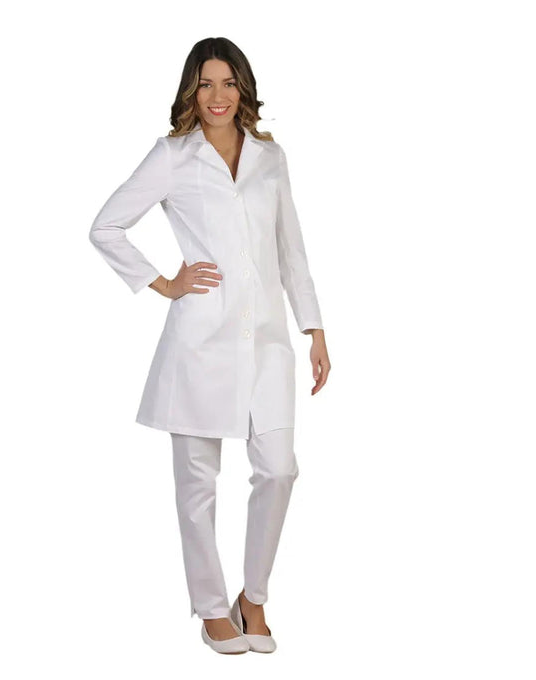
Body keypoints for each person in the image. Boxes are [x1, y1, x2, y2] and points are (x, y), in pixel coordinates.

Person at [89, 37, 331, 654]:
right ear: (190, 92)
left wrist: (314, 328)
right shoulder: (172, 156)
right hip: (200, 340)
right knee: (197, 485)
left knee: (279, 469)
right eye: (205, 84)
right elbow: (106, 226)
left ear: (243, 88)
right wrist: (163, 282)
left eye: (227, 82)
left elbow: (291, 247)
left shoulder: (269, 157)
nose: (217, 96)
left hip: (269, 341)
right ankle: (210, 608)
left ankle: (254, 597)